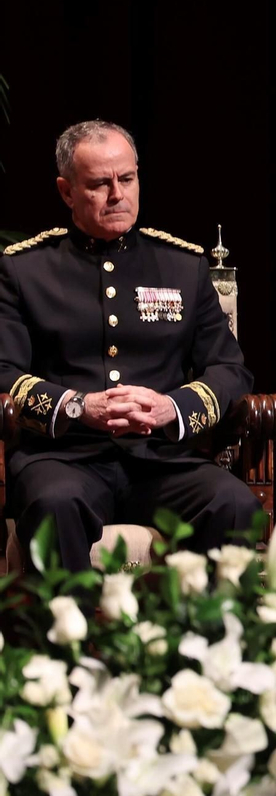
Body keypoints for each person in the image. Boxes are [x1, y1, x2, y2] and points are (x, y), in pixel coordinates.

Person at [0, 120, 257, 572]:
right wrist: (80, 406)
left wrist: (169, 409)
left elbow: (229, 370)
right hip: (63, 458)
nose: (117, 194)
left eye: (127, 178)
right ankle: (66, 643)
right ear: (66, 192)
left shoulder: (183, 266)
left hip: (161, 459)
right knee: (54, 502)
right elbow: (4, 373)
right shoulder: (24, 271)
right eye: (100, 184)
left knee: (232, 501)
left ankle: (208, 641)